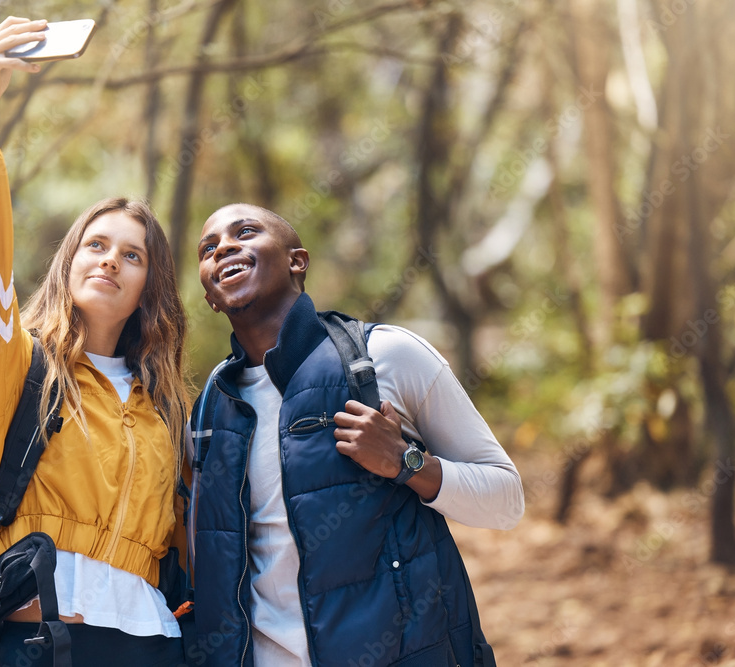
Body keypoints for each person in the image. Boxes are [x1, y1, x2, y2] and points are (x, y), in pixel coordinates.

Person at [0, 17, 188, 666]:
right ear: (69, 262)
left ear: (149, 284)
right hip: (44, 640)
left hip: (156, 645)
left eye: (132, 254)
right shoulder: (17, 366)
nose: (110, 260)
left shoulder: (164, 405)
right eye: (96, 244)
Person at [188, 203, 525, 666]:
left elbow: (506, 500)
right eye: (208, 248)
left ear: (296, 261)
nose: (224, 246)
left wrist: (408, 464)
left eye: (245, 232)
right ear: (209, 293)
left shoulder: (386, 355)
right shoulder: (211, 405)